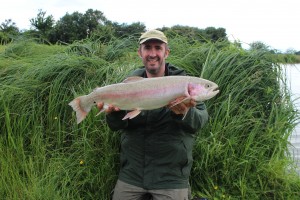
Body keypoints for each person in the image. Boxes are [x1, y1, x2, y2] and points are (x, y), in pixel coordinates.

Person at [97, 30, 209, 200]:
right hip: (132, 174)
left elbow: (200, 121)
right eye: (147, 48)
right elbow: (116, 127)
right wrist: (113, 115)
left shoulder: (184, 84)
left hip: (171, 177)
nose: (153, 53)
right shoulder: (128, 84)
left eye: (158, 48)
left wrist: (185, 112)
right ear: (140, 52)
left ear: (166, 52)